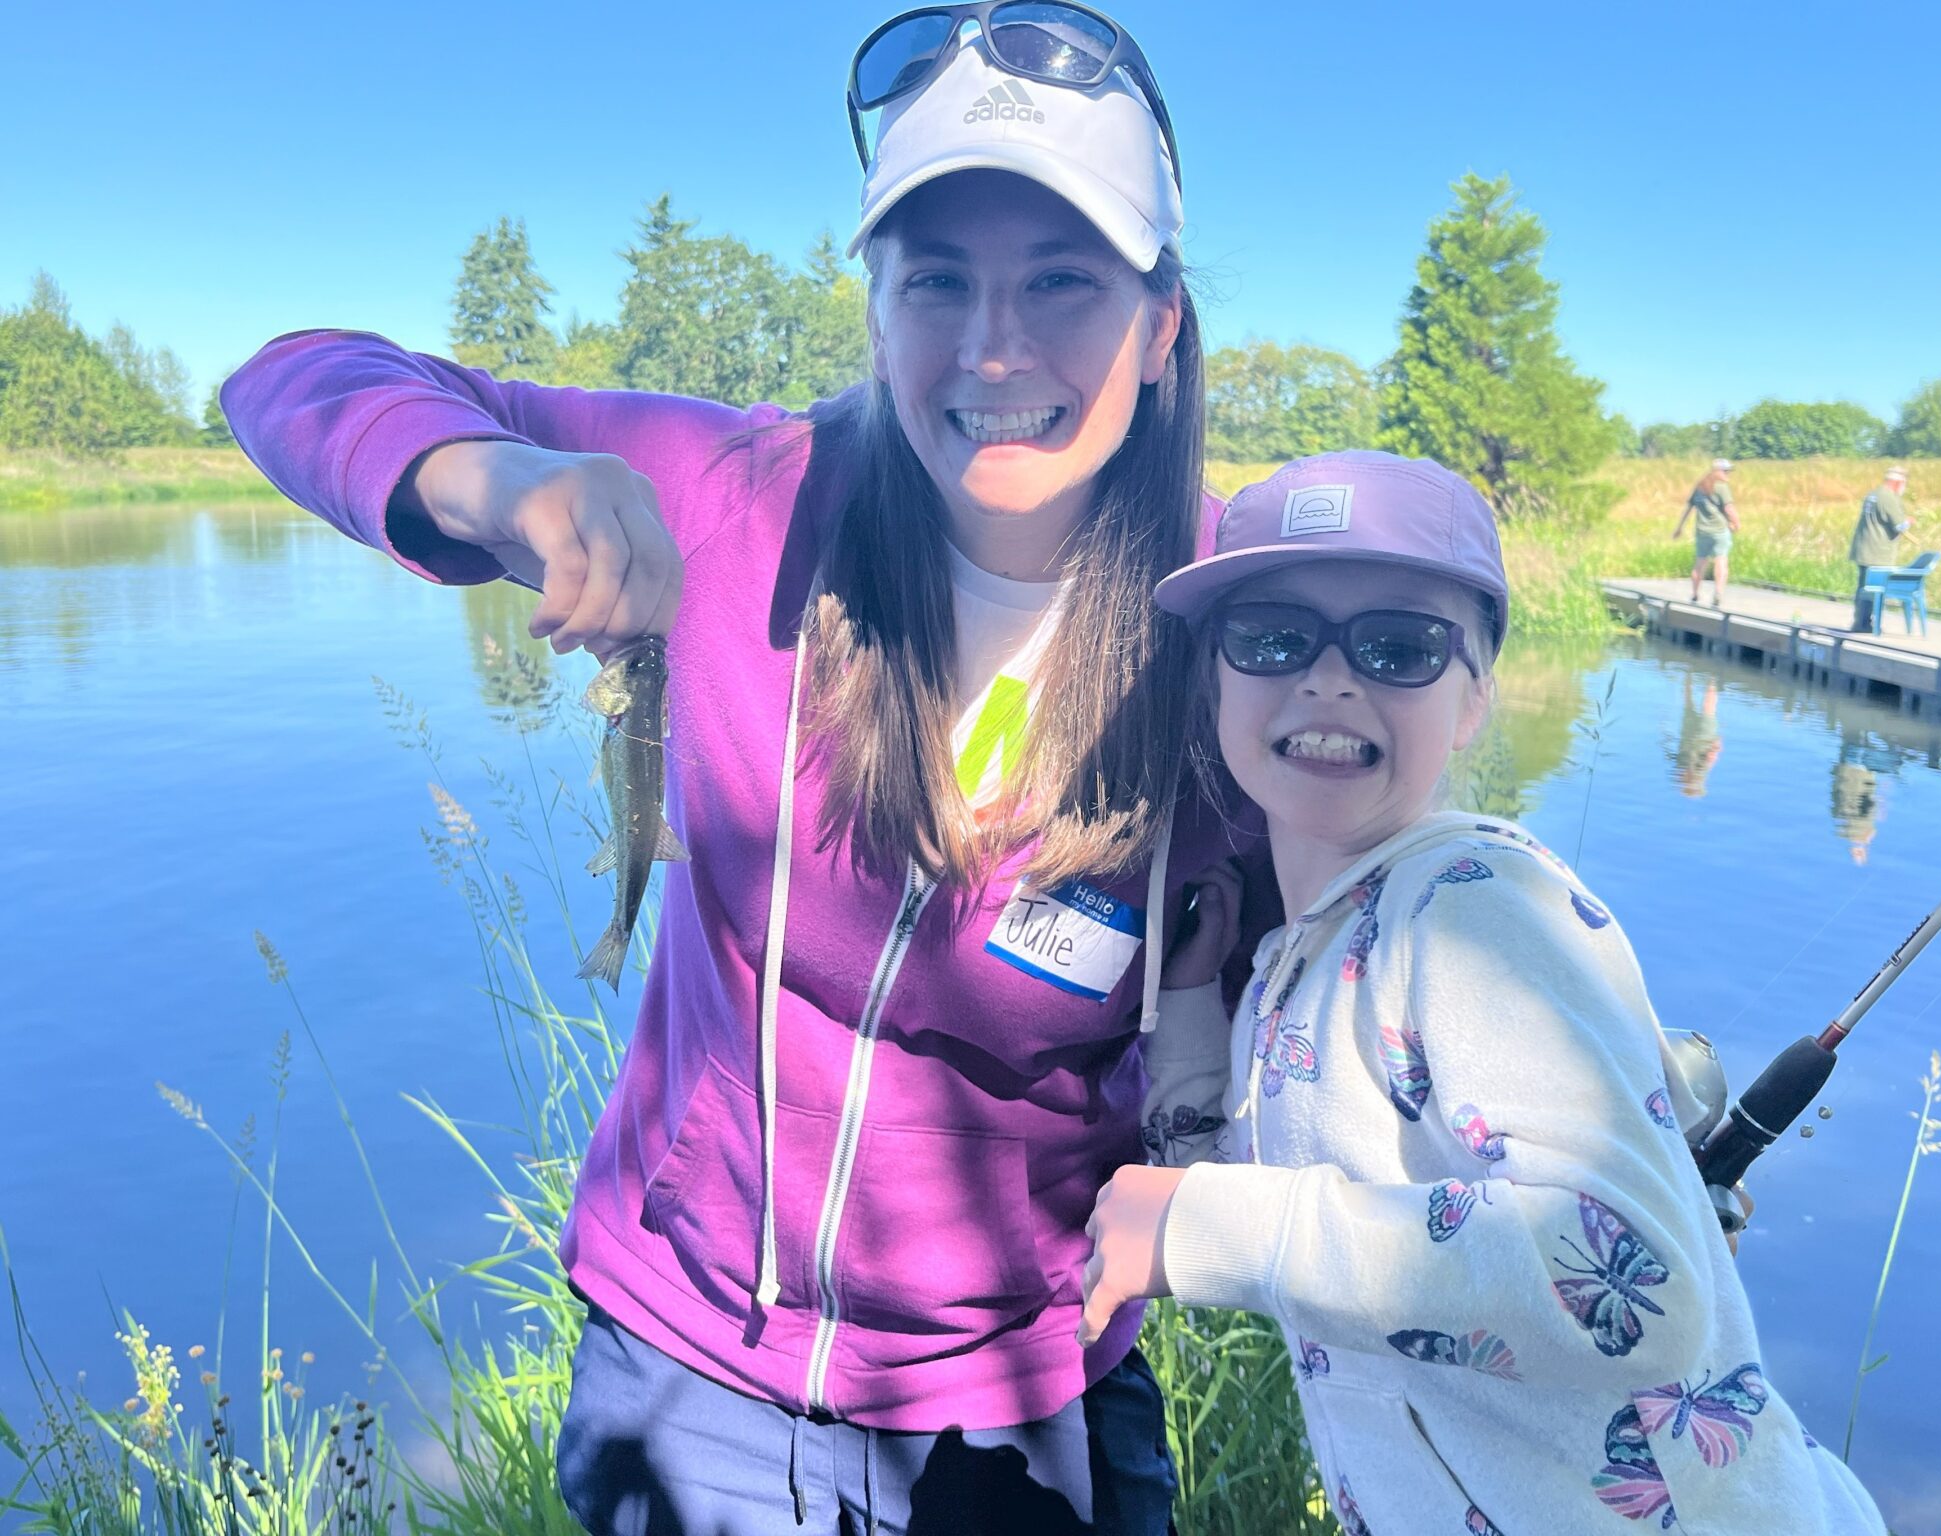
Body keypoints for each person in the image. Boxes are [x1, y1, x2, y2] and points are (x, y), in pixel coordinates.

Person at [221, 8, 1251, 1531]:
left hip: (1021, 1406)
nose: (993, 347)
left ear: (1163, 327)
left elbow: (1379, 900)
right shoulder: (738, 494)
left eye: (1062, 283)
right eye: (936, 280)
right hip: (686, 1374)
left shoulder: (1245, 617)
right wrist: (492, 473)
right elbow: (296, 376)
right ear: (876, 300)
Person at [1077, 451, 1887, 1534]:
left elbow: (1634, 1282)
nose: (1327, 679)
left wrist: (1219, 1225)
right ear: (1209, 679)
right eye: (1268, 637)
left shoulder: (1471, 907)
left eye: (1399, 647)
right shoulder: (1298, 948)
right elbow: (1229, 1203)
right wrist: (1187, 1010)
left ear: (1473, 703)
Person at [1850, 466, 1914, 632]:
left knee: (1863, 588)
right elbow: (1899, 525)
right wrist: (1909, 521)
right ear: (1897, 482)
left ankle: (1860, 622)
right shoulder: (1888, 497)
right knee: (1873, 590)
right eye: (1903, 483)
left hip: (1864, 549)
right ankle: (1864, 625)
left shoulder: (1873, 495)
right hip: (1877, 552)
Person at [1671, 457, 1739, 606]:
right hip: (1719, 530)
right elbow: (1729, 508)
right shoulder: (1721, 486)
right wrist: (1736, 523)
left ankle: (1695, 594)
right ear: (1718, 471)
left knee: (1700, 563)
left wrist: (1679, 528)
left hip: (1702, 532)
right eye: (1726, 471)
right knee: (1721, 560)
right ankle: (1718, 593)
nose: (1728, 475)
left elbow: (1688, 509)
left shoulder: (1699, 487)